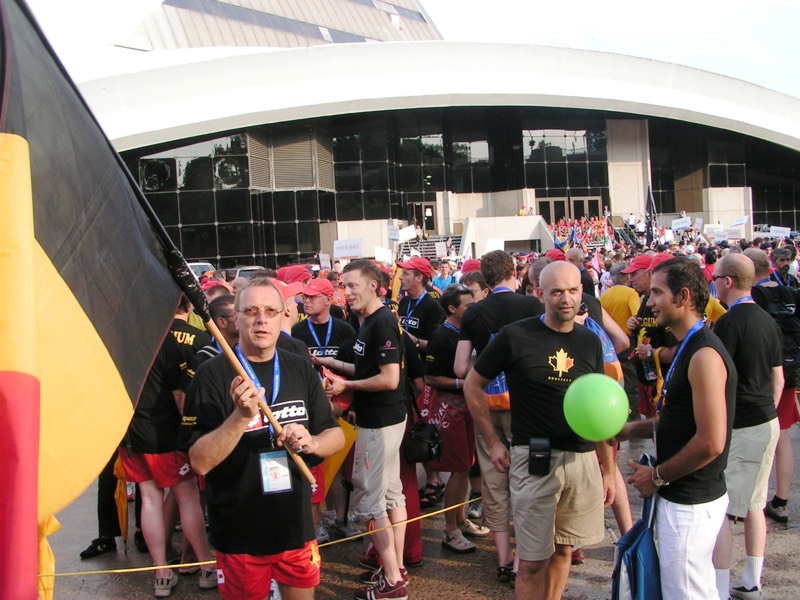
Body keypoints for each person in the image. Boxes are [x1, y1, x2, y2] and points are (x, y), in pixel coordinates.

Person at [178, 278, 344, 600]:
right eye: (251, 311)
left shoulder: (299, 366)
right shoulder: (211, 374)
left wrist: (312, 443)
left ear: (283, 316)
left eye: (270, 311)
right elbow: (199, 462)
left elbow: (334, 434)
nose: (261, 320)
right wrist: (240, 417)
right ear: (235, 318)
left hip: (295, 526)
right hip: (239, 532)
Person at [464, 261, 615, 600]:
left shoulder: (589, 342)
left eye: (573, 290)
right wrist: (493, 441)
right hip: (534, 457)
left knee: (564, 551)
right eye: (557, 291)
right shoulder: (515, 335)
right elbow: (473, 384)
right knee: (531, 562)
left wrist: (608, 469)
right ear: (539, 293)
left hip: (581, 458)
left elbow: (599, 407)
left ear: (582, 293)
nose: (566, 298)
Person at [620, 258, 736, 599]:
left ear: (683, 296)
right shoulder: (689, 347)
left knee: (687, 592)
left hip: (691, 500)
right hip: (683, 497)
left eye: (658, 293)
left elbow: (711, 441)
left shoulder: (703, 355)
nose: (650, 302)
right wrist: (629, 430)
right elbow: (677, 418)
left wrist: (657, 476)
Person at [454, 250, 544, 584]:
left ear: (486, 278)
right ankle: (522, 557)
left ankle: (503, 559)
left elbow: (460, 368)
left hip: (487, 403)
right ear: (513, 273)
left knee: (494, 479)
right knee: (530, 478)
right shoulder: (532, 306)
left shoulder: (474, 312)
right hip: (528, 406)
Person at [119, 295, 217, 597]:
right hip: (165, 434)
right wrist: (191, 433)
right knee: (187, 497)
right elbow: (179, 396)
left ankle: (161, 572)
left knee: (149, 499)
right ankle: (206, 566)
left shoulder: (123, 342)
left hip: (131, 434)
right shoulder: (168, 342)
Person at [327, 259, 409, 600]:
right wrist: (332, 364)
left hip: (380, 422)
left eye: (352, 285)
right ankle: (397, 568)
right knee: (391, 495)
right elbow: (368, 368)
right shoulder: (370, 320)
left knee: (371, 503)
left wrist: (346, 386)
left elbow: (389, 379)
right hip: (384, 419)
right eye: (343, 286)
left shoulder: (382, 323)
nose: (346, 292)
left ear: (374, 286)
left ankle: (392, 580)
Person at [711, 253, 783, 600]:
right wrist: (766, 409)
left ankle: (719, 588)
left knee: (722, 509)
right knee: (755, 503)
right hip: (767, 419)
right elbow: (777, 378)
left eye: (715, 277)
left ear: (727, 281)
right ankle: (752, 581)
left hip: (743, 424)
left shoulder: (729, 322)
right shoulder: (768, 320)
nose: (713, 283)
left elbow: (717, 377)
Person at [423, 284, 489, 553]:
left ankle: (460, 521)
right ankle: (450, 530)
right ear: (452, 309)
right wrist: (465, 383)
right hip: (449, 411)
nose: (473, 309)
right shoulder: (441, 336)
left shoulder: (466, 331)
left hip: (467, 408)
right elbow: (430, 377)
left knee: (465, 466)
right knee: (459, 469)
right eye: (468, 306)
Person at [746, 248, 800, 525]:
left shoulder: (752, 297)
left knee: (755, 436)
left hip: (760, 374)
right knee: (783, 437)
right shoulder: (790, 292)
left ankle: (751, 500)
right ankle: (781, 501)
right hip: (788, 370)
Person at [600, 262, 642, 420]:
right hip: (628, 341)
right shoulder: (630, 293)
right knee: (631, 381)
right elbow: (636, 315)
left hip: (610, 343)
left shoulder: (605, 295)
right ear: (626, 277)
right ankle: (633, 416)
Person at [397, 257, 445, 356]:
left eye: (406, 274)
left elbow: (438, 346)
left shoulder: (433, 306)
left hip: (422, 363)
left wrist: (416, 342)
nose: (400, 277)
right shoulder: (404, 301)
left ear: (419, 277)